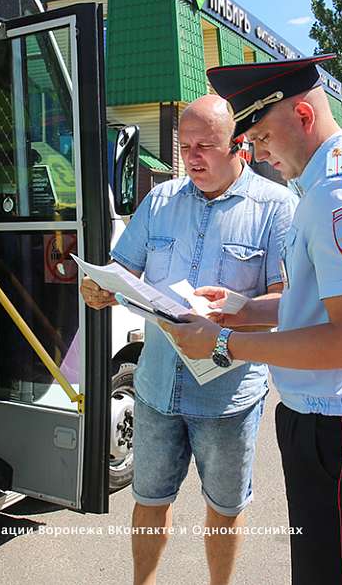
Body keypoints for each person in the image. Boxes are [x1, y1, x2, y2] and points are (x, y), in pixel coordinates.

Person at [163, 54, 342, 585]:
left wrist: (225, 343)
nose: (255, 152)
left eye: (261, 136)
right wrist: (244, 308)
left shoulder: (341, 195)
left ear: (303, 115)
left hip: (341, 427)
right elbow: (319, 306)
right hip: (330, 422)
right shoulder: (326, 183)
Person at [80, 94, 297, 585]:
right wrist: (101, 286)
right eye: (185, 146)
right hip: (157, 388)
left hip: (228, 396)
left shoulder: (276, 208)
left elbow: (290, 301)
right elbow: (125, 267)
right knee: (149, 500)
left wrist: (231, 312)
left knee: (223, 507)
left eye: (206, 146)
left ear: (237, 145)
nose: (193, 157)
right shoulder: (160, 201)